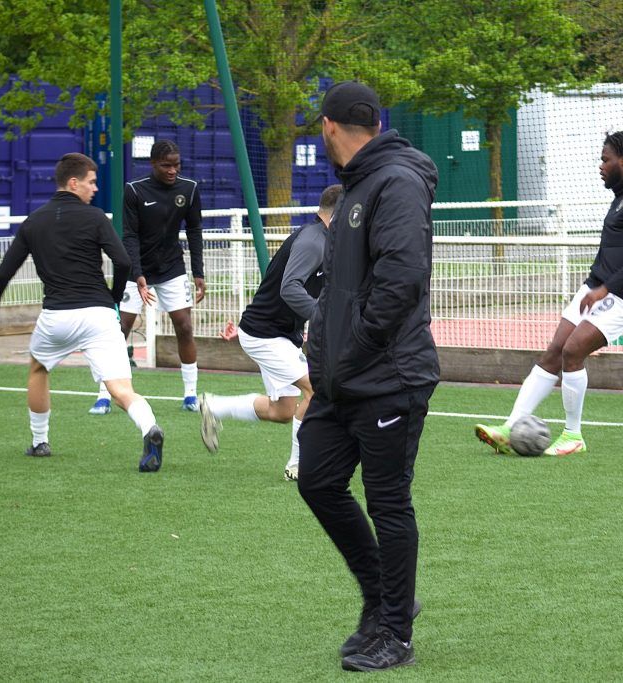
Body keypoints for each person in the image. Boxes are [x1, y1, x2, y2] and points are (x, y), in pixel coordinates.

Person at [296, 81, 438, 672]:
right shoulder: (360, 183)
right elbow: (344, 288)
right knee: (317, 481)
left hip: (387, 375)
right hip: (343, 378)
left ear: (329, 127)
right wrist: (326, 354)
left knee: (388, 503)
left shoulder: (396, 182)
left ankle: (396, 633)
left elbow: (401, 280)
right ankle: (382, 600)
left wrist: (352, 350)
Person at [475, 131, 623, 456]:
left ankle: (573, 435)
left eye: (605, 159)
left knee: (573, 351)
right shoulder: (622, 197)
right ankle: (509, 429)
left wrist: (606, 288)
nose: (600, 166)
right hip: (595, 289)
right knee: (554, 351)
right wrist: (596, 287)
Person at [0, 153, 165, 473]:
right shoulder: (95, 218)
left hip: (56, 317)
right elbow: (123, 262)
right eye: (92, 182)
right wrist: (114, 297)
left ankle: (40, 442)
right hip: (99, 316)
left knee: (38, 368)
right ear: (74, 182)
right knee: (120, 390)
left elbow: (2, 274)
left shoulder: (33, 222)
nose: (95, 189)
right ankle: (150, 430)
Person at [198, 183, 342, 482]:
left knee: (282, 411)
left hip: (280, 334)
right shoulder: (313, 240)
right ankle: (297, 466)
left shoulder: (328, 240)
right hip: (264, 334)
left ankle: (213, 405)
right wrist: (322, 318)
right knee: (317, 388)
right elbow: (290, 288)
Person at [89, 139, 205, 414]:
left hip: (172, 268)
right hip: (136, 269)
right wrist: (137, 273)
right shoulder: (134, 190)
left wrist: (199, 272)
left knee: (184, 326)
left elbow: (195, 230)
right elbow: (129, 235)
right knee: (121, 330)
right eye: (166, 165)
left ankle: (190, 394)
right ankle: (103, 394)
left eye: (176, 165)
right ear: (153, 164)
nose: (172, 170)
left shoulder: (189, 189)